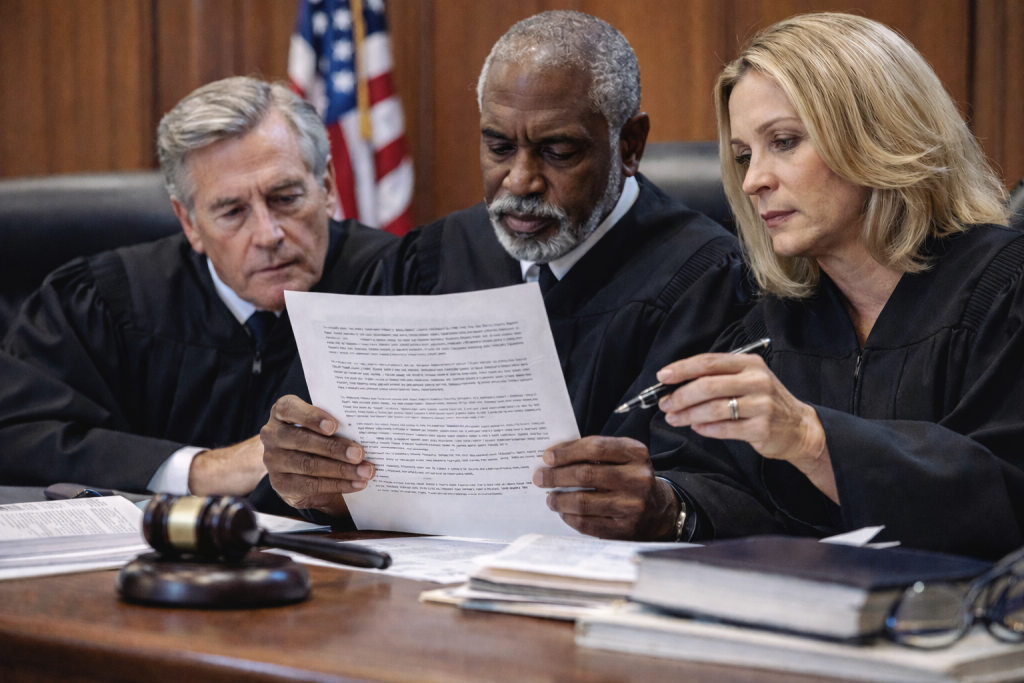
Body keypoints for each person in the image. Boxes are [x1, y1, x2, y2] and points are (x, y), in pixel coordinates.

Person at [258, 11, 752, 533]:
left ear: (629, 145)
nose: (520, 180)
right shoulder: (435, 256)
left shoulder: (705, 278)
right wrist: (310, 476)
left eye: (557, 151)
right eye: (498, 147)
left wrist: (665, 507)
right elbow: (328, 462)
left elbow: (723, 488)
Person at [620, 13, 1023, 558]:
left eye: (783, 142)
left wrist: (812, 438)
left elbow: (1004, 497)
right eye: (743, 155)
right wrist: (661, 504)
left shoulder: (1006, 290)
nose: (752, 180)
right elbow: (732, 490)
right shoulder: (771, 324)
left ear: (877, 133)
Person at [0, 77, 396, 496]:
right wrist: (201, 470)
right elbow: (15, 434)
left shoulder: (395, 283)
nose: (268, 234)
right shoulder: (107, 302)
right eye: (232, 211)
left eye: (285, 198)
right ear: (189, 222)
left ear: (328, 188)